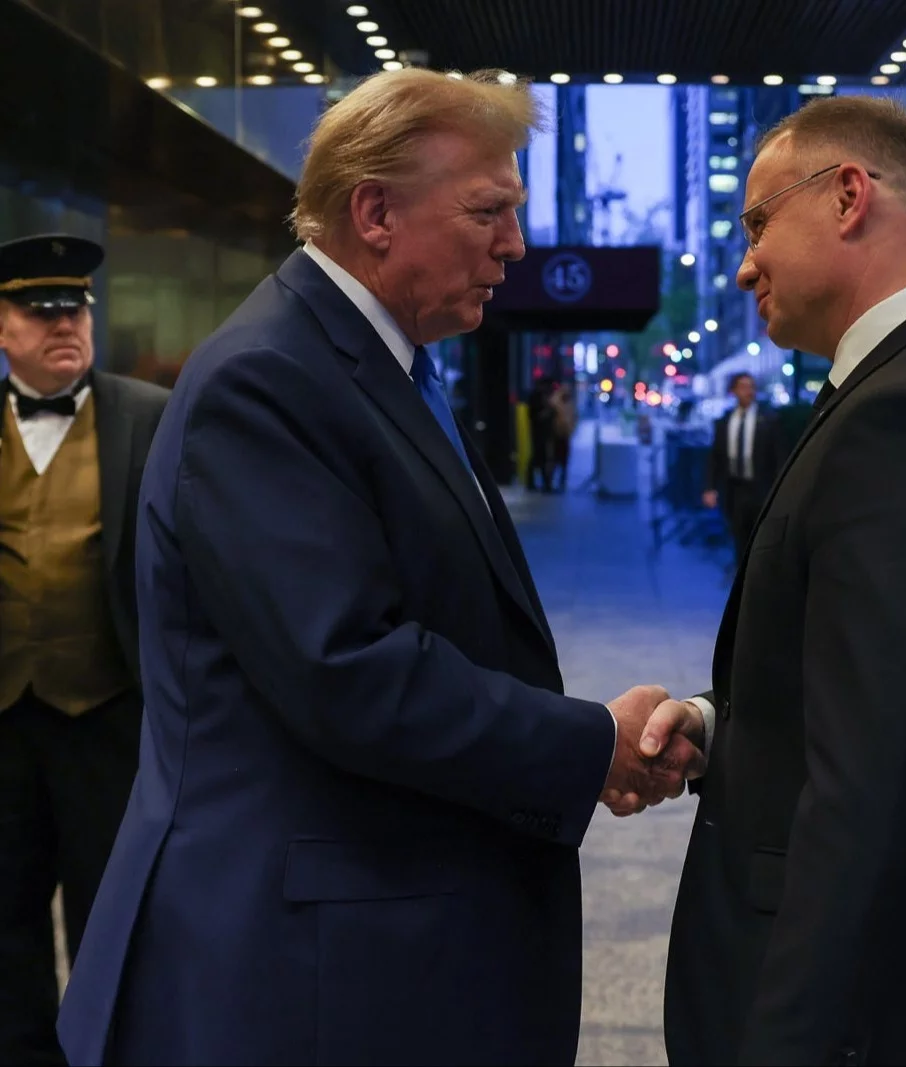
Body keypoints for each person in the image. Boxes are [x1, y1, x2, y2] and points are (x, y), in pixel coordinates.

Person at [57, 69, 698, 1067]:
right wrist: (587, 745)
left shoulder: (377, 361)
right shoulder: (270, 379)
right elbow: (346, 668)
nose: (516, 245)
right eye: (489, 210)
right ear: (376, 212)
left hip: (363, 943)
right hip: (304, 971)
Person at [612, 95, 906, 1065]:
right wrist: (718, 720)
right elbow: (874, 700)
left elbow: (872, 785)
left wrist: (786, 1038)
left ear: (849, 195)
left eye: (757, 221)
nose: (743, 264)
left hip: (870, 1003)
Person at [0, 234, 168, 1065]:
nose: (64, 323)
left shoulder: (147, 414)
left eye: (77, 309)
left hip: (108, 716)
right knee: (5, 918)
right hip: (2, 725)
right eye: (40, 309)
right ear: (1, 326)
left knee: (113, 915)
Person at [702, 372, 783, 564]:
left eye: (751, 386)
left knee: (760, 537)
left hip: (760, 487)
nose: (748, 391)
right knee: (738, 535)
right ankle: (741, 575)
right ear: (734, 390)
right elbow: (715, 457)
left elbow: (779, 456)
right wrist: (709, 487)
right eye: (743, 387)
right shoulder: (725, 422)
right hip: (734, 488)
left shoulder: (768, 421)